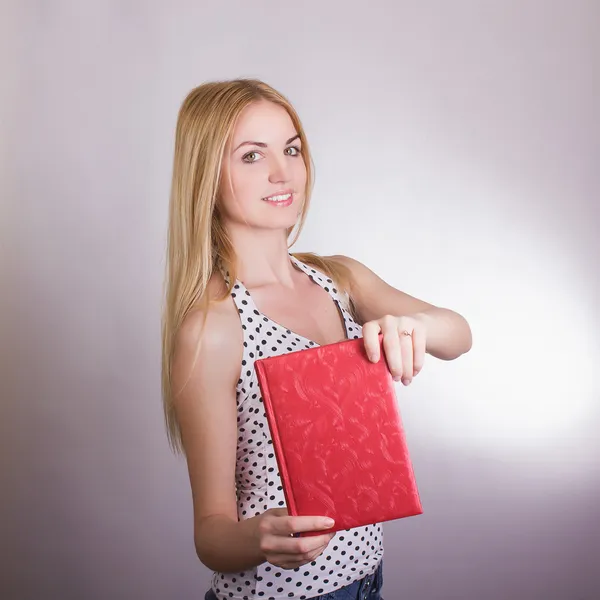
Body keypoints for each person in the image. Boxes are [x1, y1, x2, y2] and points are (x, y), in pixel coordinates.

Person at [161, 78, 472, 600]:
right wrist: (262, 537)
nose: (283, 172)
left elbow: (458, 334)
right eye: (251, 156)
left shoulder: (340, 280)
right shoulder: (215, 326)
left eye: (291, 148)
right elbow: (211, 534)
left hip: (366, 579)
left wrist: (416, 327)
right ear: (206, 175)